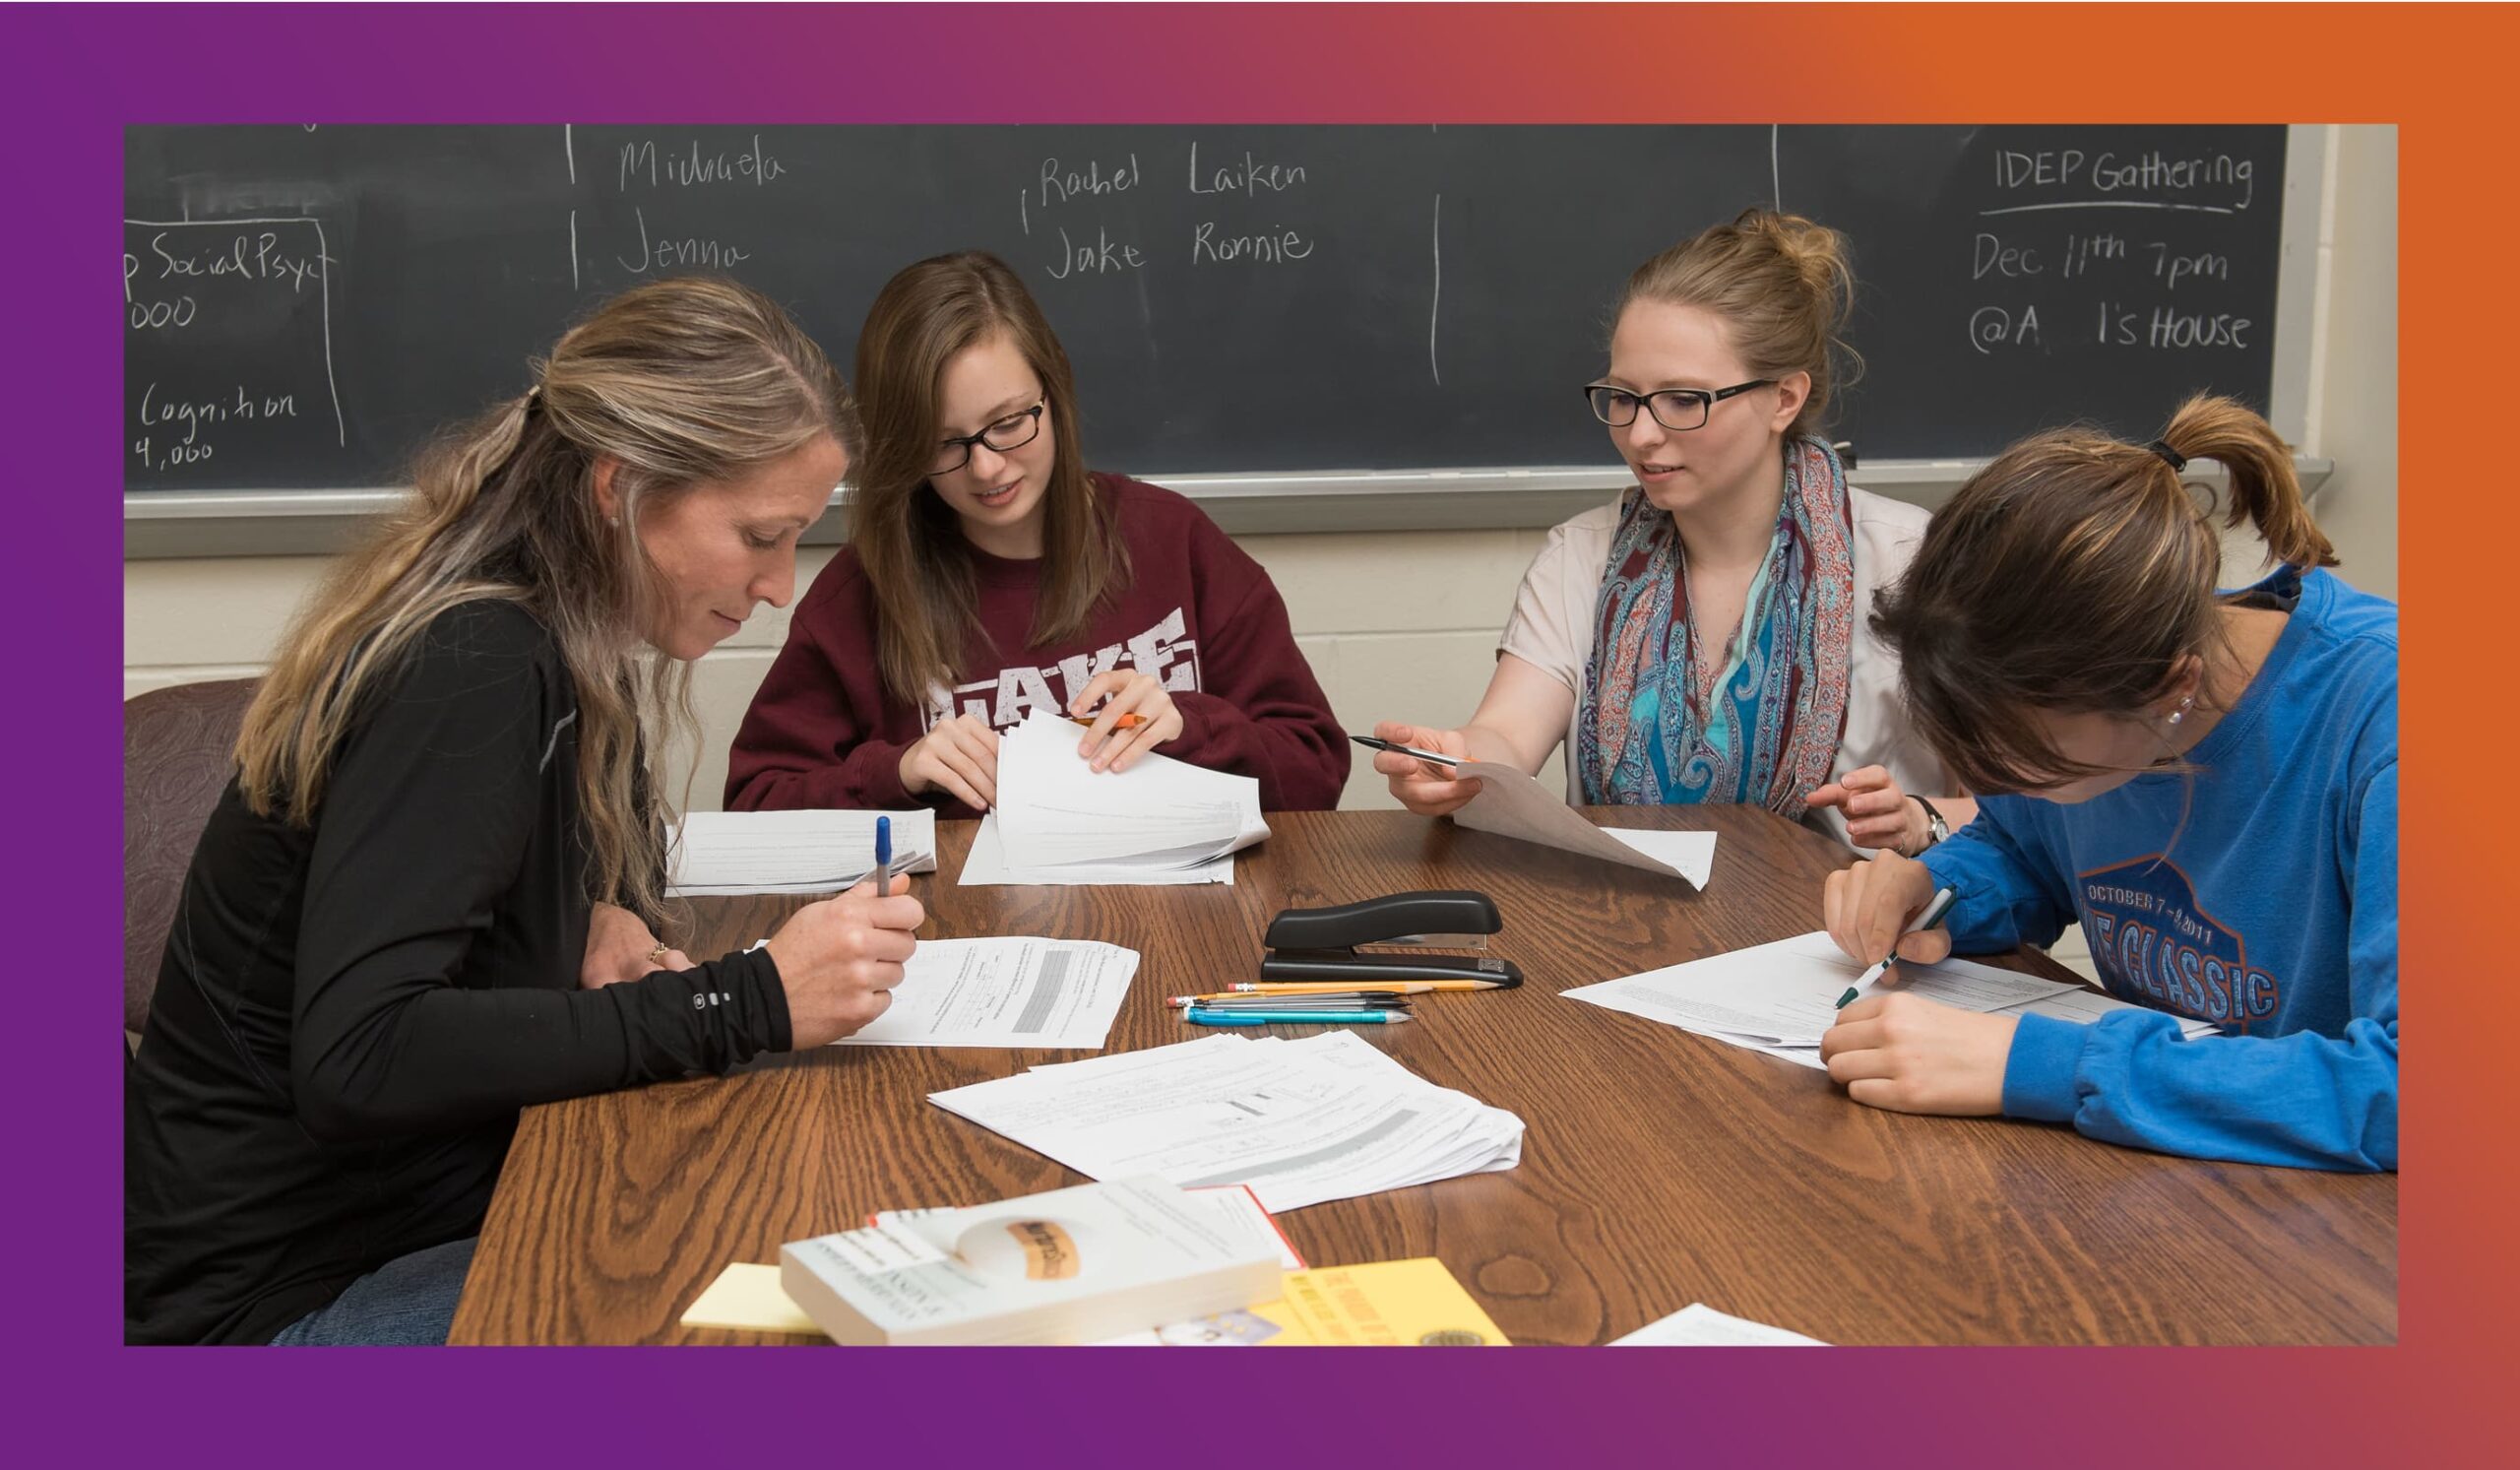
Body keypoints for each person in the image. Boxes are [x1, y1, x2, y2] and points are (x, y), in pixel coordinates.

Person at [125, 277, 928, 1345]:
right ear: (622, 486)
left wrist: (560, 924)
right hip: (281, 1307)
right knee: (803, 1305)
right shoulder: (475, 662)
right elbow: (361, 1051)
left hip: (391, 1225)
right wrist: (751, 998)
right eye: (759, 535)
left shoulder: (537, 637)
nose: (782, 585)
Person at [1818, 396, 2396, 1173]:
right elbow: (2028, 847)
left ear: (2170, 688)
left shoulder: (2386, 727)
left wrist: (2037, 1065)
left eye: (2023, 754)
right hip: (2171, 1177)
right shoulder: (2103, 669)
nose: (1986, 776)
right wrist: (1941, 888)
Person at [1369, 210, 1969, 853]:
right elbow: (1507, 738)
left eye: (1684, 400)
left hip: (1851, 943)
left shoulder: (1909, 558)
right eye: (1623, 396)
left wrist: (1922, 819)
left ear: (1785, 399)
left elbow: (2020, 813)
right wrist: (1457, 762)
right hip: (1629, 933)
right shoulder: (1583, 555)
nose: (1641, 433)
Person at [725, 250, 1348, 819]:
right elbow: (755, 806)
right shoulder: (863, 596)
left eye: (1008, 423)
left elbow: (1316, 766)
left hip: (1183, 916)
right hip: (972, 934)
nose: (988, 468)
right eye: (945, 443)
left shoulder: (1172, 541)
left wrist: (1192, 727)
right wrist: (897, 773)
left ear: (1054, 393)